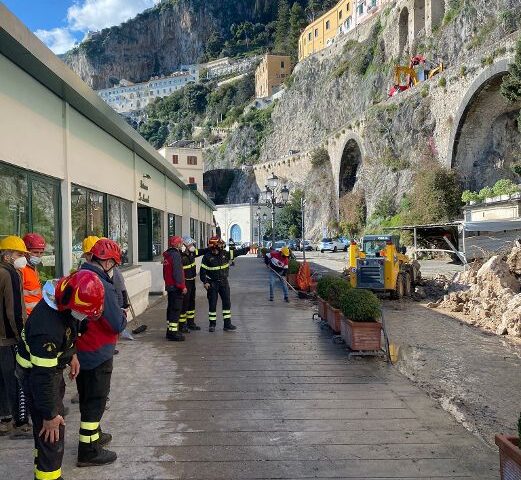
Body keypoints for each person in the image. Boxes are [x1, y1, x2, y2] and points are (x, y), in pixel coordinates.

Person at [16, 270, 104, 480]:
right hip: (36, 377)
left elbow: (71, 329)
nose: (84, 317)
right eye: (83, 312)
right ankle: (49, 477)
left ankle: (42, 470)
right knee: (52, 433)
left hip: (46, 371)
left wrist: (70, 355)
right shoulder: (46, 328)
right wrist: (50, 414)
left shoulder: (63, 301)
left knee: (45, 433)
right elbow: (42, 377)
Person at [76, 238, 127, 467]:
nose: (114, 268)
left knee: (87, 395)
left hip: (82, 349)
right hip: (98, 350)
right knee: (95, 400)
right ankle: (88, 451)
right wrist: (123, 315)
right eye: (114, 264)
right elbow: (116, 323)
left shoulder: (80, 276)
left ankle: (94, 436)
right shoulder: (103, 285)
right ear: (106, 263)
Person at [0, 235, 31, 439]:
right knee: (16, 380)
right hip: (9, 338)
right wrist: (23, 337)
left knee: (2, 381)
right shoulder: (10, 274)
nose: (23, 258)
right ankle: (20, 423)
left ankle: (4, 420)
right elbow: (15, 310)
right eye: (20, 254)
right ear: (8, 255)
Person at [200, 236, 249, 332]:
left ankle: (227, 324)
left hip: (224, 283)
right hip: (212, 284)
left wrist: (248, 248)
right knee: (212, 304)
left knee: (227, 303)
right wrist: (205, 282)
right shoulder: (207, 257)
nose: (222, 245)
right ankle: (212, 325)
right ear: (214, 246)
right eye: (219, 244)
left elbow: (237, 252)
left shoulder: (225, 254)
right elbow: (202, 272)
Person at [180, 236, 208, 332]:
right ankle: (182, 325)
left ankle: (191, 323)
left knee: (191, 302)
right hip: (185, 282)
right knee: (184, 303)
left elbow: (202, 251)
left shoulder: (192, 253)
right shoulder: (180, 256)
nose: (193, 246)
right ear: (185, 246)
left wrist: (211, 247)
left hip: (192, 281)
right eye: (191, 244)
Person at [163, 236, 187, 341]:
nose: (182, 245)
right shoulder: (176, 255)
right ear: (177, 244)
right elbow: (178, 273)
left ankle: (169, 331)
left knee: (170, 309)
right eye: (181, 243)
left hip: (170, 286)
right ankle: (173, 333)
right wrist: (182, 286)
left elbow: (165, 273)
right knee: (176, 309)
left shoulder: (167, 255)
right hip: (176, 287)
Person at [21, 233, 46, 316]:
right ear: (25, 252)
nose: (38, 256)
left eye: (41, 252)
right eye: (35, 252)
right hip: (27, 316)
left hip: (36, 314)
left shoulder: (33, 268)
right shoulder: (21, 269)